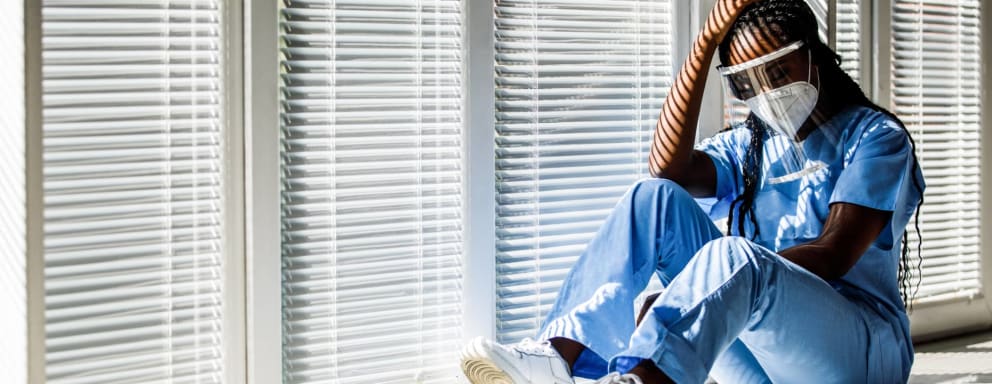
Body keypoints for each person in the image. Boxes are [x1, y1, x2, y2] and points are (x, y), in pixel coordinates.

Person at [461, 0, 925, 382]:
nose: (766, 91)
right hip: (762, 357)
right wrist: (704, 45)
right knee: (653, 198)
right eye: (748, 83)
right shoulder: (751, 143)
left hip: (855, 355)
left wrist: (695, 287)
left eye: (778, 71)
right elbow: (667, 168)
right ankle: (562, 356)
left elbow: (833, 254)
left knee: (734, 258)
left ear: (813, 55)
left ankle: (643, 377)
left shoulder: (874, 137)